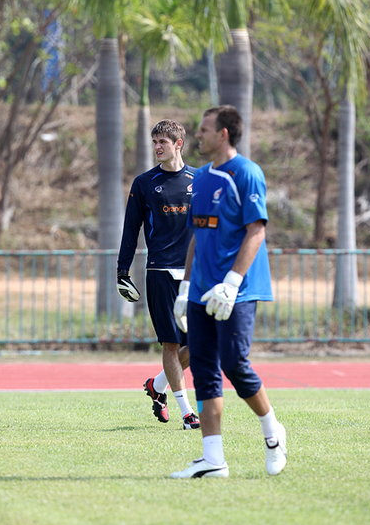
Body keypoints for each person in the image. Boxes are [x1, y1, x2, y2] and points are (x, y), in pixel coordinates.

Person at [171, 105, 287, 477]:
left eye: (204, 129)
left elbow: (257, 231)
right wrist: (185, 287)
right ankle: (213, 460)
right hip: (202, 290)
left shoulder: (248, 173)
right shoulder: (201, 178)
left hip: (239, 289)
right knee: (203, 368)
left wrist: (233, 281)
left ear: (223, 134)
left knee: (234, 363)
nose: (198, 135)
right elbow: (197, 235)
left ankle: (272, 431)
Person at [117, 119, 200, 430]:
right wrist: (122, 269)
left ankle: (158, 385)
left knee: (201, 342)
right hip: (160, 272)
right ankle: (187, 412)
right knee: (169, 342)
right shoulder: (144, 183)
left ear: (178, 144)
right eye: (154, 142)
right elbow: (131, 229)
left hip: (194, 274)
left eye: (162, 142)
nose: (157, 147)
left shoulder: (199, 179)